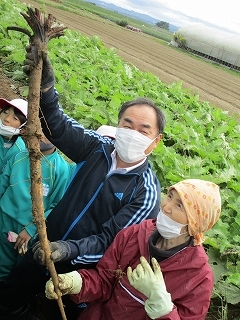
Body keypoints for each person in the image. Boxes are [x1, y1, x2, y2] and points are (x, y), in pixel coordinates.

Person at [0, 49, 165, 319]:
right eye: (127, 124)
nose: (133, 134)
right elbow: (60, 127)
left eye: (144, 130)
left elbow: (111, 241)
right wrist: (46, 88)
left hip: (80, 268)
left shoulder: (145, 192)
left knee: (59, 309)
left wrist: (67, 250)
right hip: (45, 241)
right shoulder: (98, 147)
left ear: (155, 141)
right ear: (118, 125)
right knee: (14, 291)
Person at [45, 179, 221, 320]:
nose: (165, 207)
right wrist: (77, 282)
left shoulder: (199, 276)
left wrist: (161, 305)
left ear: (195, 224)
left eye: (179, 205)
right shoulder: (135, 235)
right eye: (169, 196)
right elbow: (105, 280)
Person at [0, 134, 76, 282]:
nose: (41, 135)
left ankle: (14, 301)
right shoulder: (20, 156)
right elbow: (3, 183)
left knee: (20, 269)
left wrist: (31, 229)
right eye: (38, 128)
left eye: (48, 134)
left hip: (28, 229)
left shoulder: (60, 168)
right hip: (5, 218)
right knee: (2, 261)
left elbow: (56, 206)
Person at [0, 98, 28, 174]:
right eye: (5, 112)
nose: (7, 119)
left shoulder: (20, 151)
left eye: (15, 118)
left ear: (23, 129)